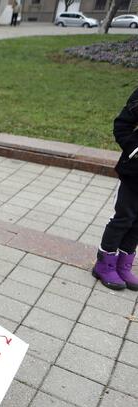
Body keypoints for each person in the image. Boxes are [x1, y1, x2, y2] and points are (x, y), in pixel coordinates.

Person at [93, 86, 138, 291]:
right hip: (134, 173)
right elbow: (122, 125)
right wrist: (135, 150)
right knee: (124, 218)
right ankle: (105, 263)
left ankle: (124, 265)